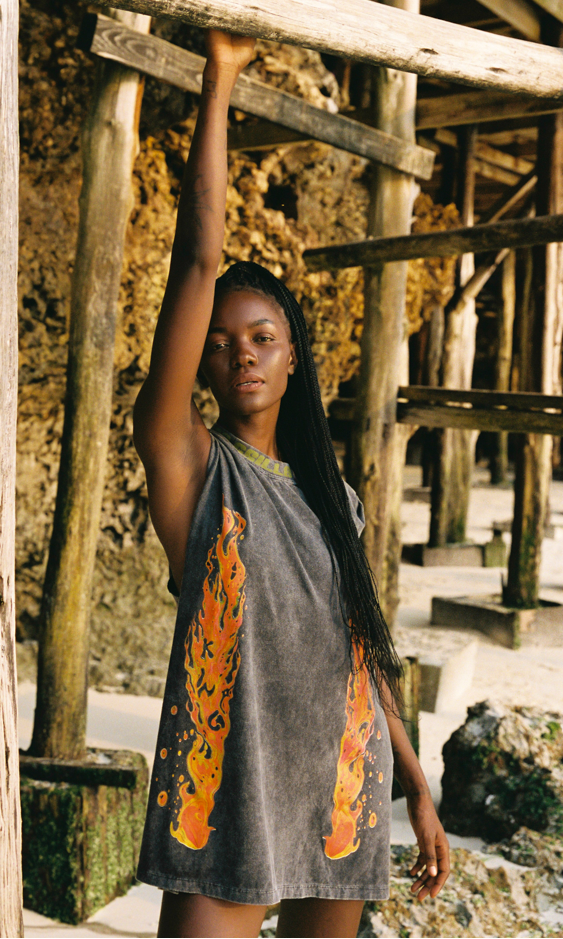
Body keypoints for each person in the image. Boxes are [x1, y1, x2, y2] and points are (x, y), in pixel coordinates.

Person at [133, 29, 449, 939]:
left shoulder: (332, 495)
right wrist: (219, 79)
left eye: (263, 336)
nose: (243, 355)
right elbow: (198, 260)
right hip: (230, 793)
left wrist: (418, 789)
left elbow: (365, 648)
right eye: (224, 343)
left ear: (295, 353)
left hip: (342, 787)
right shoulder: (191, 465)